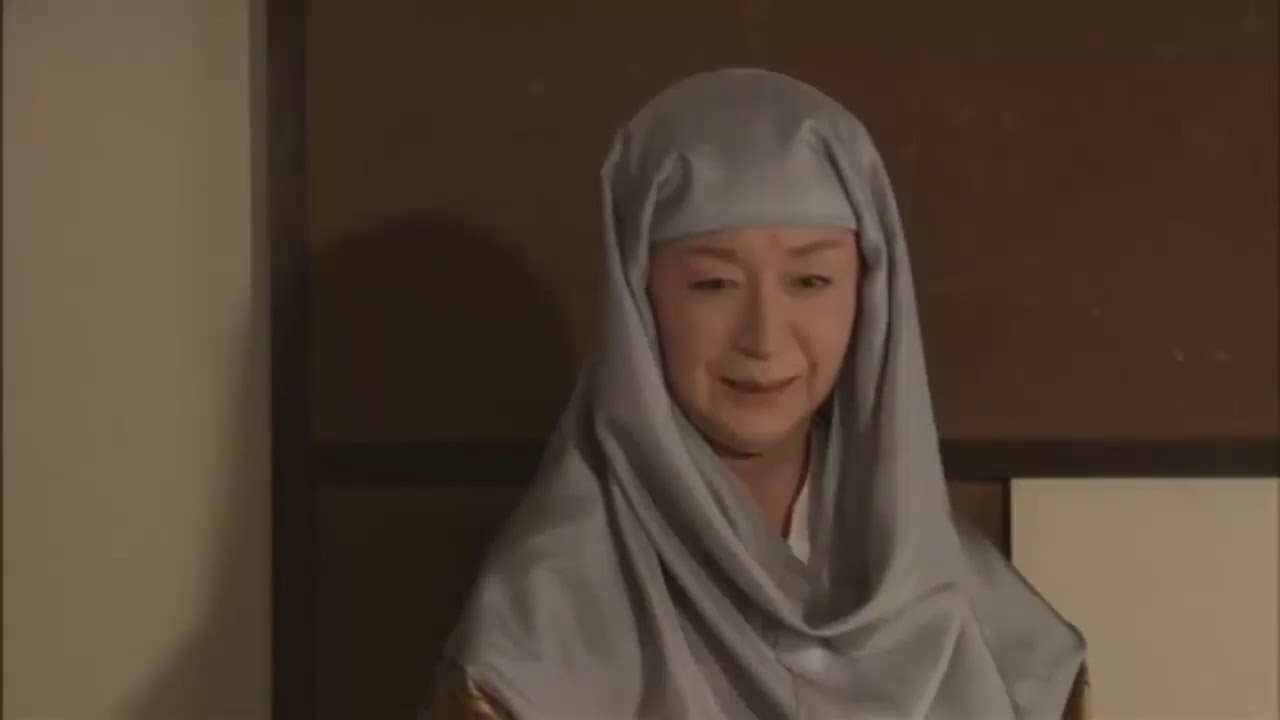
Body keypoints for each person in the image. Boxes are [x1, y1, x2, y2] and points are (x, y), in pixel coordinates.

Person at [424, 68, 1089, 720]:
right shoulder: (541, 637)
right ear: (637, 299)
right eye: (713, 285)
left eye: (810, 282)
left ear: (872, 295)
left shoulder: (994, 633)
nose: (764, 339)